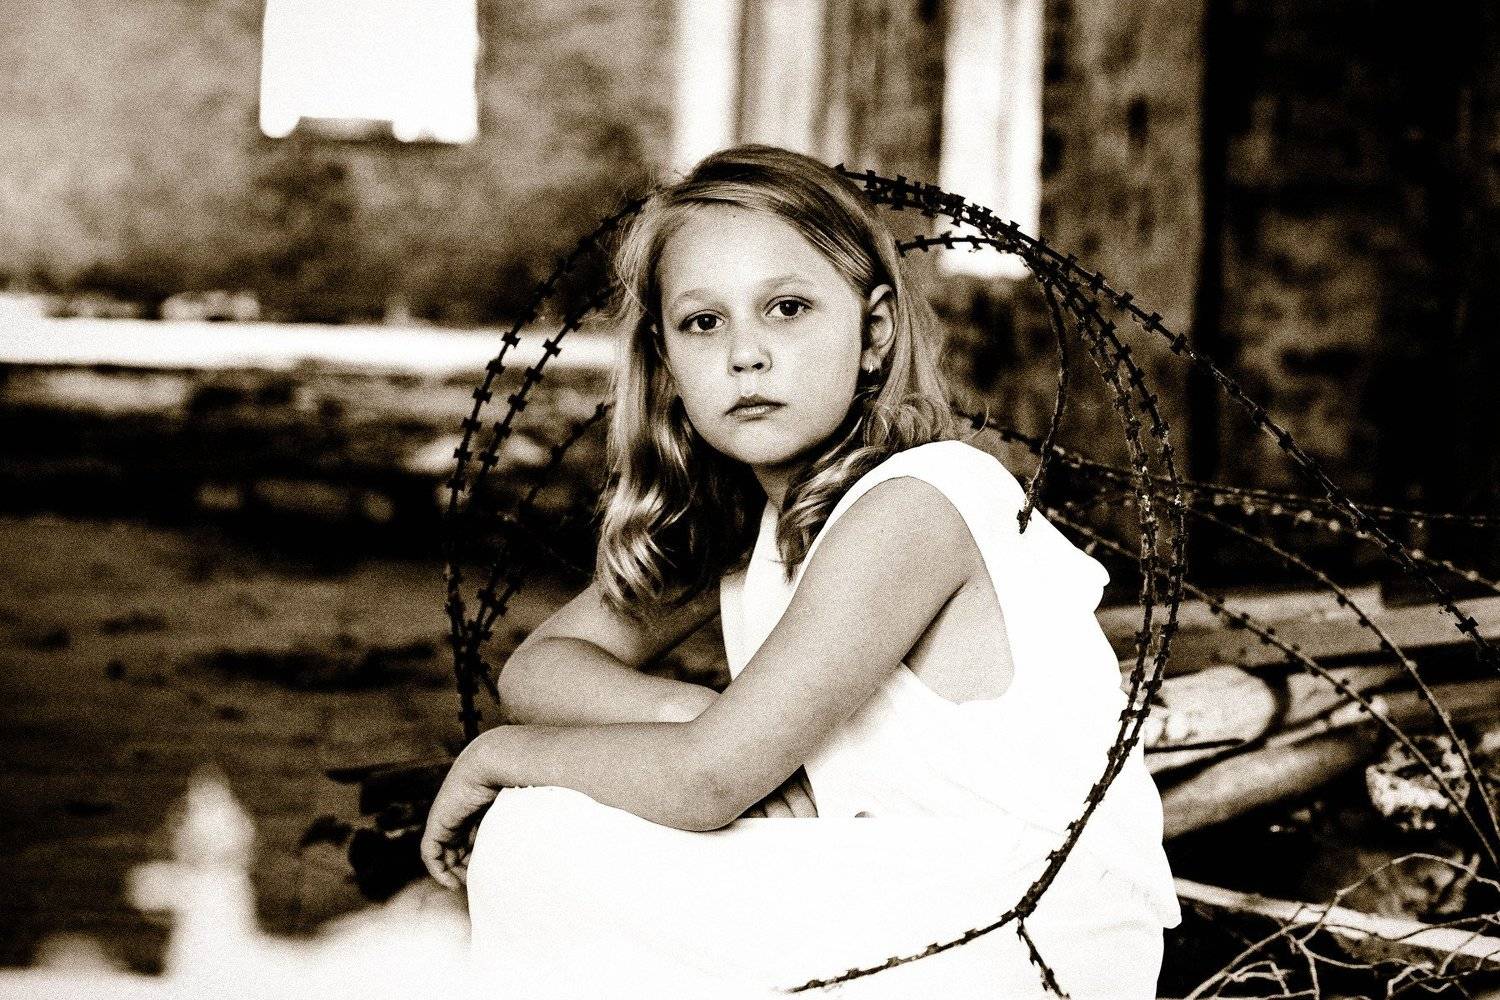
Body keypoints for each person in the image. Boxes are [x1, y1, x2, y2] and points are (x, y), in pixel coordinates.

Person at [420, 144, 1181, 998]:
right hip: (903, 891)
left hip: (1028, 928)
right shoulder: (755, 521)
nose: (746, 354)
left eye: (787, 308)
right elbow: (541, 667)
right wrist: (691, 710)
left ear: (874, 333)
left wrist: (497, 757)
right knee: (553, 840)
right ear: (668, 367)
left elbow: (707, 781)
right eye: (704, 323)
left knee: (537, 835)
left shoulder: (919, 502)